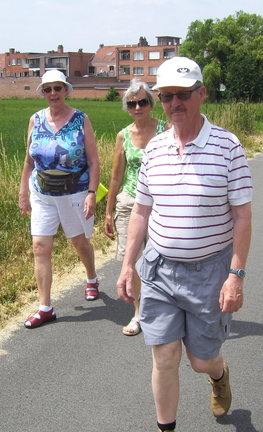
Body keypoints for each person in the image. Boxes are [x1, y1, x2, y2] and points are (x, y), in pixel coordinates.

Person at [116, 57, 253, 431]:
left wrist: (235, 275)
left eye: (183, 95)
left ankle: (218, 373)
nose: (174, 103)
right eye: (166, 96)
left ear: (201, 94)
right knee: (163, 357)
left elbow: (242, 216)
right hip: (159, 269)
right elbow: (141, 211)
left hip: (210, 272)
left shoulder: (228, 147)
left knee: (199, 359)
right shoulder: (155, 149)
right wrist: (129, 265)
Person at [19, 70, 101, 329]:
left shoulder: (80, 119)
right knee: (40, 248)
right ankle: (45, 308)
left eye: (57, 88)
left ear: (66, 90)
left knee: (79, 243)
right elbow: (29, 159)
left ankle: (91, 278)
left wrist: (91, 193)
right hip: (42, 193)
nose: (53, 93)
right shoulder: (35, 119)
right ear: (43, 92)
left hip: (75, 192)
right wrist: (23, 191)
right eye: (47, 89)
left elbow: (93, 160)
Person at [104, 78, 171, 336]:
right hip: (130, 201)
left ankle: (165, 307)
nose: (137, 107)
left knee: (162, 258)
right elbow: (115, 176)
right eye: (132, 103)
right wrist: (108, 211)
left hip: (160, 203)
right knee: (131, 261)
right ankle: (138, 315)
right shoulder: (123, 135)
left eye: (143, 102)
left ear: (151, 104)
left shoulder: (166, 130)